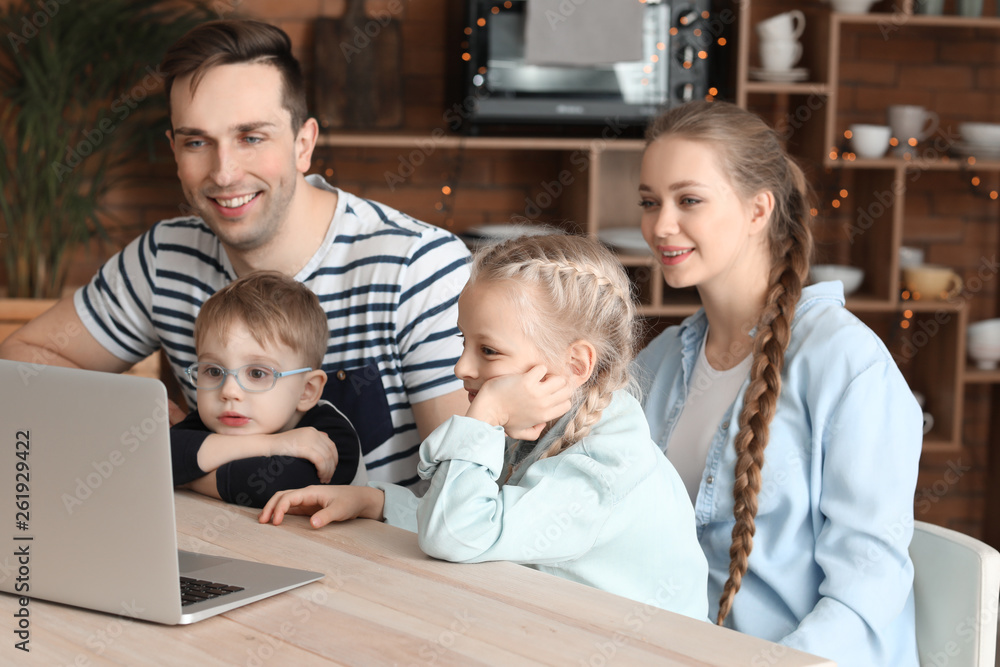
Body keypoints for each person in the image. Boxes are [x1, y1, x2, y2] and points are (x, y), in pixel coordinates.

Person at [0, 19, 470, 488]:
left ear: (303, 144)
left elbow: (460, 489)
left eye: (251, 137)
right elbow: (20, 361)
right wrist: (133, 414)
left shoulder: (419, 267)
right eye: (197, 142)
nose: (224, 174)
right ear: (175, 151)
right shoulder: (165, 257)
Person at [258, 234, 711, 620]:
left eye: (489, 351)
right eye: (463, 341)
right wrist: (375, 502)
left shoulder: (601, 465)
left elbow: (455, 534)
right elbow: (478, 513)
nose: (461, 366)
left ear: (574, 365)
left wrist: (485, 416)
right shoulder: (544, 423)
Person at [633, 100, 921, 665]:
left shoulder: (846, 362)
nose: (660, 225)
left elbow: (868, 588)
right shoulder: (660, 360)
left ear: (758, 209)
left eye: (688, 200)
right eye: (649, 202)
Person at [171, 271, 367, 508]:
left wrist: (186, 478)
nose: (229, 391)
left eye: (257, 373)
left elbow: (263, 487)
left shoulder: (332, 435)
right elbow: (158, 455)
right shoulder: (219, 420)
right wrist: (273, 444)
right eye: (213, 371)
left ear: (306, 390)